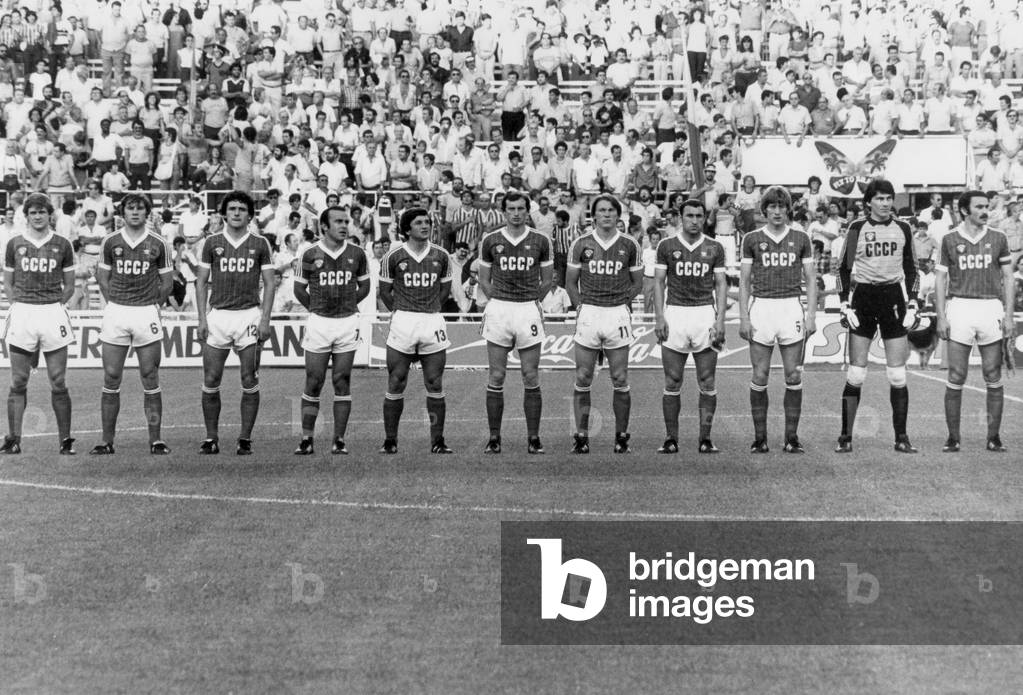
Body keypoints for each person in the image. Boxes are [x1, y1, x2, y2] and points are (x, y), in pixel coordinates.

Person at [836, 179, 919, 454]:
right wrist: (844, 303)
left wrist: (914, 303)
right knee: (857, 372)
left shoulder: (903, 228)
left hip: (893, 298)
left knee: (897, 374)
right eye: (880, 199)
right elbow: (842, 270)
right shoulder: (856, 228)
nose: (885, 203)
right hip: (864, 298)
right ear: (868, 201)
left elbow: (913, 270)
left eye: (888, 198)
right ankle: (845, 437)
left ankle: (902, 437)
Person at [91, 193, 174, 455]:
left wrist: (150, 304)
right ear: (122, 212)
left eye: (140, 208)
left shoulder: (159, 243)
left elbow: (168, 284)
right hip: (117, 312)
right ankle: (106, 441)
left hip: (146, 313)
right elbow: (103, 280)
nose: (135, 212)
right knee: (111, 376)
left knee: (150, 376)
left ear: (147, 213)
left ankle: (155, 440)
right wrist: (116, 302)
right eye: (130, 208)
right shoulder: (110, 241)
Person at [195, 192, 276, 456]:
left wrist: (265, 319)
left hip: (249, 316)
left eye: (242, 209)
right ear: (224, 213)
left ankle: (244, 438)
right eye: (232, 209)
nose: (237, 213)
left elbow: (271, 283)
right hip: (218, 315)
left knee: (249, 377)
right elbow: (201, 282)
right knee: (211, 378)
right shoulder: (212, 242)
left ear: (250, 214)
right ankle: (211, 437)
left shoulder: (260, 243)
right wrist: (202, 318)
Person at [934, 191, 1016, 452]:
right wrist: (941, 316)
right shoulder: (949, 239)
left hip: (990, 306)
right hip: (960, 306)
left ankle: (994, 437)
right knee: (956, 373)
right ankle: (953, 437)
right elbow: (940, 279)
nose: (985, 211)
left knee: (992, 373)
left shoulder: (998, 237)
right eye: (979, 207)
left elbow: (1008, 277)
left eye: (986, 206)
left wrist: (1009, 314)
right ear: (964, 210)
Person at [738, 185, 817, 453]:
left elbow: (810, 279)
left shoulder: (801, 238)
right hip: (762, 308)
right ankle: (760, 439)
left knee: (793, 375)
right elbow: (745, 281)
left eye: (782, 207)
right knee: (760, 375)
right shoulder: (751, 239)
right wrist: (744, 317)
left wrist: (811, 315)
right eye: (772, 206)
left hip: (791, 308)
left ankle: (791, 438)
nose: (777, 211)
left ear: (788, 210)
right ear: (764, 210)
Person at [476, 191, 554, 455]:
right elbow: (484, 279)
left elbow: (547, 280)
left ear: (527, 210)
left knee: (530, 375)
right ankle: (494, 438)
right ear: (504, 211)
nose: (517, 213)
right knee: (496, 375)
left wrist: (532, 300)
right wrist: (497, 300)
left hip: (528, 310)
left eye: (521, 208)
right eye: (511, 208)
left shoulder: (541, 240)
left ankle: (533, 438)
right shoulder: (490, 239)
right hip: (499, 310)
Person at [565, 194, 643, 454]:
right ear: (594, 215)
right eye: (602, 210)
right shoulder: (581, 244)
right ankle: (581, 435)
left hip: (616, 314)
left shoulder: (630, 244)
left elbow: (637, 284)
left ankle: (621, 437)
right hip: (589, 313)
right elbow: (570, 282)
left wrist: (621, 302)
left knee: (619, 377)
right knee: (583, 376)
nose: (607, 214)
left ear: (617, 215)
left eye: (611, 210)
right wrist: (581, 307)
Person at [0, 193, 77, 455]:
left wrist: (55, 305)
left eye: (42, 212)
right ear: (27, 216)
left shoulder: (63, 244)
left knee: (58, 380)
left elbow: (70, 286)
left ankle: (65, 440)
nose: (37, 216)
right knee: (18, 380)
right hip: (23, 313)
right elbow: (8, 283)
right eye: (33, 212)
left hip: (52, 314)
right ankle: (13, 439)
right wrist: (18, 304)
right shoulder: (14, 244)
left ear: (49, 214)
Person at [293, 206, 371, 456]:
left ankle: (339, 439)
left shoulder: (357, 253)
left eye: (346, 221)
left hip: (347, 322)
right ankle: (306, 438)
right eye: (338, 221)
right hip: (319, 322)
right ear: (324, 226)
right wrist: (317, 309)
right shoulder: (309, 253)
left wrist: (347, 304)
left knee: (342, 380)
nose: (344, 226)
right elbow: (298, 290)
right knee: (313, 381)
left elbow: (365, 287)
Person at [653, 199, 728, 454]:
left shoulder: (715, 247)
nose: (694, 220)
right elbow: (659, 283)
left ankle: (705, 439)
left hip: (704, 314)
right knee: (673, 380)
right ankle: (670, 438)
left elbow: (720, 284)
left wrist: (719, 320)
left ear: (704, 218)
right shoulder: (666, 245)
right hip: (675, 313)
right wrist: (659, 316)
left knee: (707, 381)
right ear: (680, 217)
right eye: (689, 215)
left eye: (698, 216)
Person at [378, 207, 454, 454]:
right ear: (407, 228)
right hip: (403, 322)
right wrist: (401, 312)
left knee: (434, 382)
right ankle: (390, 440)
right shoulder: (393, 256)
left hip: (431, 321)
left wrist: (428, 308)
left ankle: (438, 440)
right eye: (419, 222)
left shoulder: (442, 256)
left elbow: (444, 291)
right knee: (396, 380)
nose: (425, 226)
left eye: (427, 222)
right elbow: (385, 292)